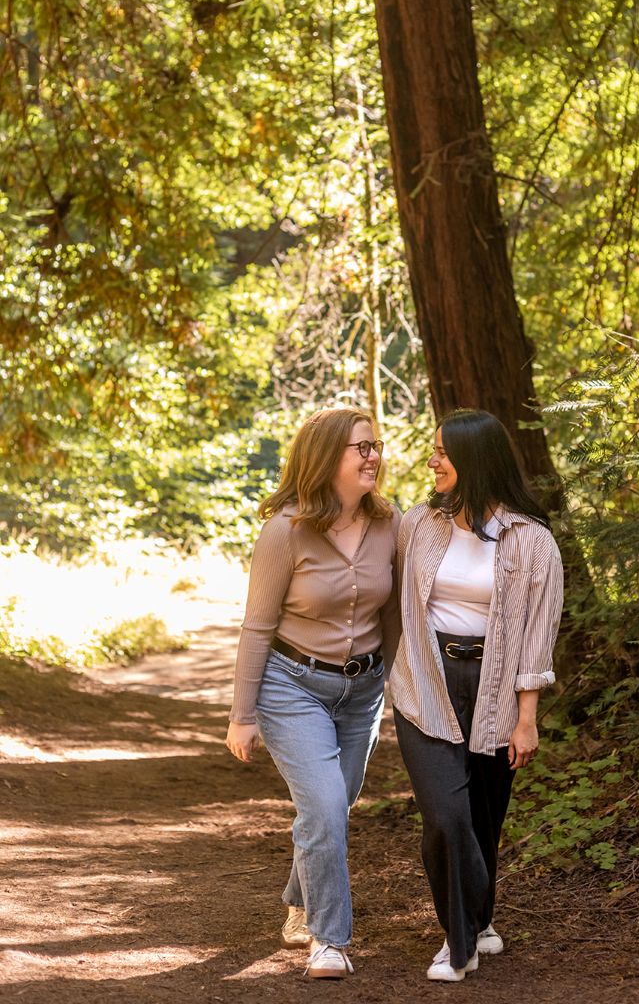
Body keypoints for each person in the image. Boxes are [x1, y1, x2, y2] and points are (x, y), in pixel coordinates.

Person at [225, 407, 400, 980]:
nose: (372, 455)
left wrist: (402, 687)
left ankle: (299, 900)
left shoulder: (388, 523)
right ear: (327, 458)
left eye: (374, 445)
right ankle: (329, 940)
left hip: (363, 690)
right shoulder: (285, 532)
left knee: (332, 808)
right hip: (291, 686)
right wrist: (241, 713)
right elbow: (257, 625)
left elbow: (394, 616)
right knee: (324, 806)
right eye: (359, 448)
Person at [390, 409, 563, 982]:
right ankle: (457, 942)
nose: (432, 460)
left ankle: (479, 916)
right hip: (426, 681)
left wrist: (527, 718)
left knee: (484, 817)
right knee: (446, 815)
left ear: (475, 460)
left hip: (494, 686)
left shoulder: (532, 542)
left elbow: (538, 636)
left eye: (442, 451)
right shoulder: (418, 525)